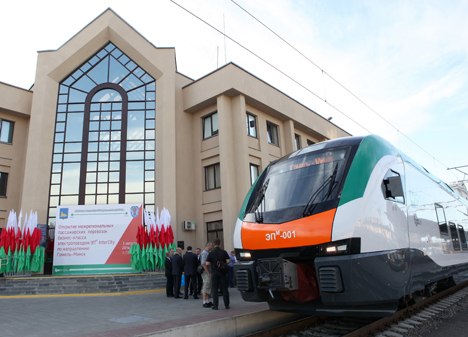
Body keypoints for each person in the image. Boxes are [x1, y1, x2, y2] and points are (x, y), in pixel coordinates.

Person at [206, 238, 231, 310]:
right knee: (224, 289)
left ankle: (215, 305)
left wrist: (213, 263)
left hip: (214, 272)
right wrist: (223, 263)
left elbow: (207, 263)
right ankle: (227, 305)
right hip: (222, 272)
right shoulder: (224, 252)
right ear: (220, 244)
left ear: (213, 244)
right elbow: (229, 261)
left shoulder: (211, 253)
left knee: (215, 289)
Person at [200, 241, 213, 308]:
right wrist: (208, 272)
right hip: (206, 273)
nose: (212, 247)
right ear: (208, 245)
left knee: (208, 286)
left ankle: (208, 301)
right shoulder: (204, 253)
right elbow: (203, 264)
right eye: (211, 245)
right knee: (206, 286)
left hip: (209, 272)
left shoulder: (209, 253)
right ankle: (204, 302)